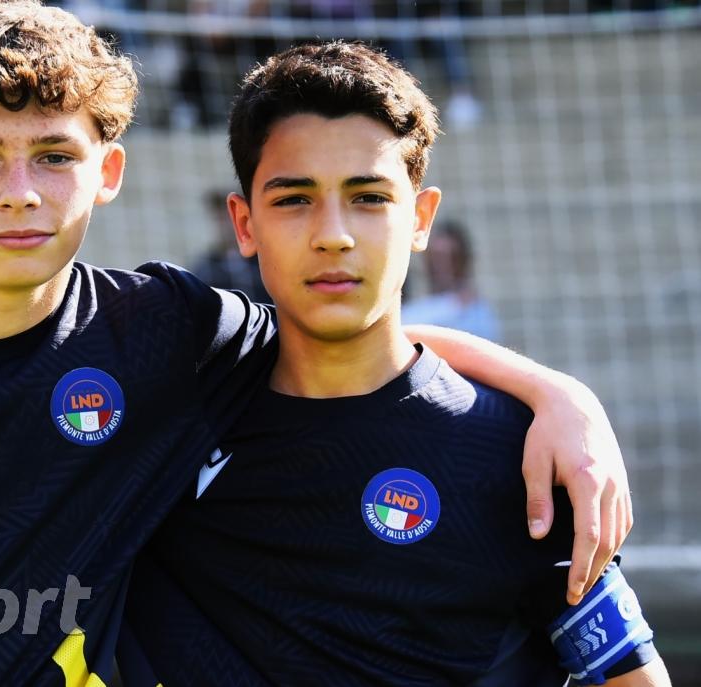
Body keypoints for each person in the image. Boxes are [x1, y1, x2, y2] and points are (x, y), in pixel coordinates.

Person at [0, 1, 631, 684]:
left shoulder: (166, 335)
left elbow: (350, 328)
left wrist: (560, 398)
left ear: (110, 171)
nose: (19, 192)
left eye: (54, 156)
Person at [116, 41, 668, 686]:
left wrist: (560, 395)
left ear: (421, 218)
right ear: (244, 224)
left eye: (369, 197)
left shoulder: (518, 454)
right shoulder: (171, 425)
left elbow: (633, 679)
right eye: (294, 199)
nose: (333, 233)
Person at [403, 219, 502, 340]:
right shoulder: (418, 307)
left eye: (451, 257)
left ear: (463, 260)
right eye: (435, 257)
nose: (442, 265)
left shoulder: (477, 312)